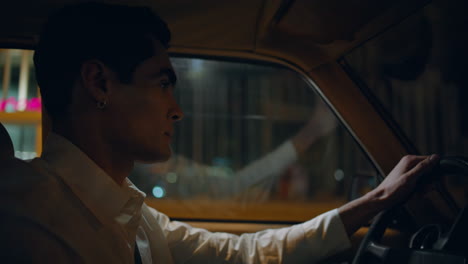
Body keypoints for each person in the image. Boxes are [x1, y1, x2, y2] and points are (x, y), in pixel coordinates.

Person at [0, 3, 439, 263]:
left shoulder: (132, 215)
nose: (177, 111)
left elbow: (243, 254)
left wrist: (377, 201)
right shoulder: (23, 215)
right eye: (163, 83)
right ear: (98, 83)